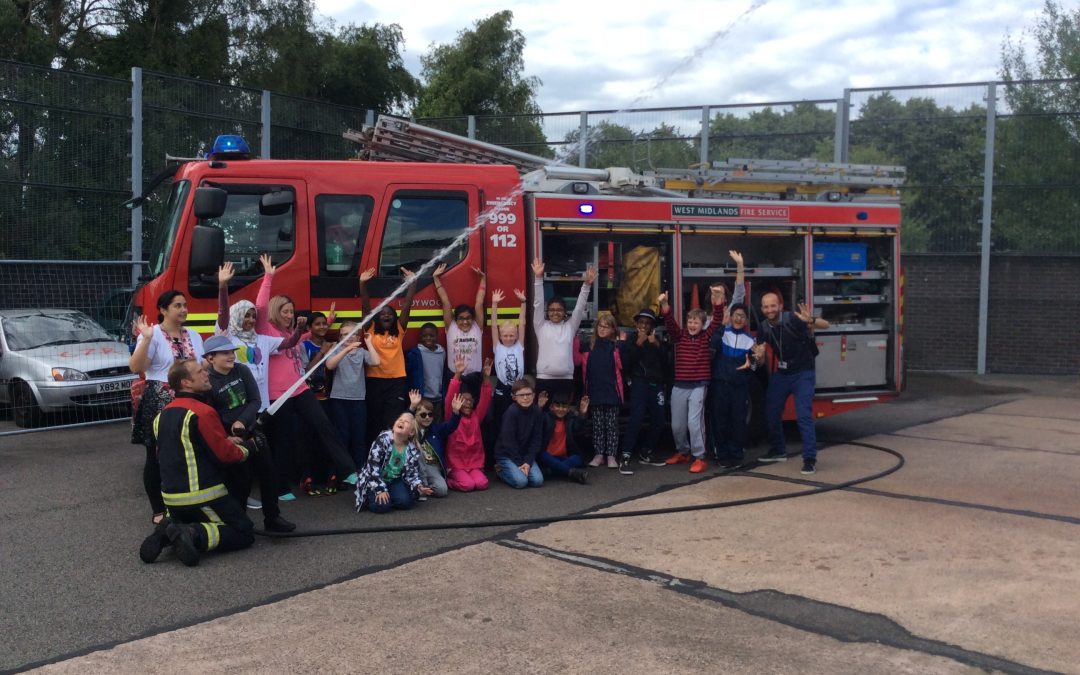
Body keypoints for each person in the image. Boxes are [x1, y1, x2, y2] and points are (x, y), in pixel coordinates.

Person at [255, 254, 355, 499]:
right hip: (278, 394)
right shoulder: (265, 329)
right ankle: (280, 488)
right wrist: (269, 277)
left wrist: (328, 322)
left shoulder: (293, 332)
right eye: (285, 311)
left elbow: (307, 336)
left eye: (291, 311)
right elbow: (259, 307)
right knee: (283, 440)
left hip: (299, 388)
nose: (289, 315)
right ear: (276, 311)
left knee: (323, 425)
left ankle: (347, 469)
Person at [138, 358, 254, 567]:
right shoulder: (202, 412)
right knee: (244, 531)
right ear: (186, 383)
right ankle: (193, 534)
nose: (206, 374)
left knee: (195, 518)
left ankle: (168, 530)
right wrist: (248, 448)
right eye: (200, 372)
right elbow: (226, 455)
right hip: (203, 496)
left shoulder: (161, 416)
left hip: (172, 501)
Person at [216, 261, 306, 508]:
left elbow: (287, 345)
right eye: (246, 315)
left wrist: (298, 330)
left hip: (261, 405)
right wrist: (223, 286)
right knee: (240, 452)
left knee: (261, 451)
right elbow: (223, 312)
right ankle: (239, 497)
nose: (250, 319)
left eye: (253, 315)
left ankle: (270, 494)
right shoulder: (227, 335)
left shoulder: (263, 339)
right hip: (238, 408)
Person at [201, 335, 295, 532]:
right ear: (211, 358)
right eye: (225, 353)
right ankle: (240, 521)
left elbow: (255, 401)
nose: (231, 356)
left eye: (232, 352)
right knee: (240, 481)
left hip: (253, 432)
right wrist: (226, 436)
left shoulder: (242, 370)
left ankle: (273, 517)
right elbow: (210, 414)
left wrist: (241, 421)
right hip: (231, 439)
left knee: (268, 474)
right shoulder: (208, 381)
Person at [129, 290, 205, 526]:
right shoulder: (152, 335)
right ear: (163, 310)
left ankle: (191, 503)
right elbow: (136, 366)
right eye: (177, 306)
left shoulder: (193, 334)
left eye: (185, 305)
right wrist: (147, 339)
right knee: (156, 456)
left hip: (192, 402)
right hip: (160, 402)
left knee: (192, 454)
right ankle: (159, 509)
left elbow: (200, 367)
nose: (183, 309)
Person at [751, 294, 829, 475]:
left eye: (773, 306)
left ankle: (809, 459)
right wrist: (759, 356)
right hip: (783, 374)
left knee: (803, 415)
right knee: (770, 410)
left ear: (780, 305)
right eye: (765, 307)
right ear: (762, 309)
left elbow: (826, 325)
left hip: (803, 373)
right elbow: (761, 361)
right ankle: (778, 450)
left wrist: (810, 319)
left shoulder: (793, 318)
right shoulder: (763, 327)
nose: (769, 310)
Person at [660, 283, 726, 473]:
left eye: (696, 322)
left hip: (698, 385)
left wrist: (718, 301)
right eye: (689, 321)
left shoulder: (706, 337)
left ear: (702, 324)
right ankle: (683, 452)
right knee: (677, 425)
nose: (692, 325)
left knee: (693, 423)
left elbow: (718, 320)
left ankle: (699, 456)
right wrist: (665, 305)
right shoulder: (679, 336)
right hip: (680, 385)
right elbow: (670, 323)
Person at [359, 265, 419, 444]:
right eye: (382, 314)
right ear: (377, 318)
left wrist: (413, 283)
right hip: (375, 382)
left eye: (390, 314)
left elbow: (407, 305)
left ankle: (392, 459)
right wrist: (362, 284)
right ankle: (374, 459)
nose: (386, 316)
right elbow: (365, 306)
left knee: (392, 422)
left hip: (396, 383)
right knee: (375, 422)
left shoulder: (399, 331)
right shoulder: (370, 330)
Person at [708, 251, 756, 468]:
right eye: (712, 294)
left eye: (719, 294)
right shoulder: (707, 320)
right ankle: (722, 454)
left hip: (737, 383)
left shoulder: (732, 315)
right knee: (720, 420)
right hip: (718, 379)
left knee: (737, 420)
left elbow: (739, 292)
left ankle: (736, 455)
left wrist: (740, 265)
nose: (716, 297)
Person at [530, 257, 597, 399]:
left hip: (566, 379)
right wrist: (538, 278)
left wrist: (586, 285)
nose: (555, 312)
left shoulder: (570, 327)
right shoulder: (540, 326)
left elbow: (579, 309)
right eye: (552, 310)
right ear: (547, 312)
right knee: (544, 416)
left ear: (565, 313)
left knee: (564, 416)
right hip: (544, 379)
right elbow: (538, 304)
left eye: (559, 310)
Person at [619, 308, 671, 468]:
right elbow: (625, 363)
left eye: (647, 323)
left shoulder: (656, 341)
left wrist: (657, 345)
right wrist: (638, 344)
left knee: (659, 420)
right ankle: (626, 454)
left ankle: (646, 451)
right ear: (636, 324)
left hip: (656, 384)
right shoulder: (631, 339)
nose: (643, 326)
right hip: (639, 382)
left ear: (652, 326)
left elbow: (667, 363)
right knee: (636, 418)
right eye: (641, 322)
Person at [325, 320, 380, 472]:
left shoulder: (362, 352)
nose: (349, 337)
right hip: (339, 399)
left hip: (358, 400)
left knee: (359, 438)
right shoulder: (336, 350)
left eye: (353, 334)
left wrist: (368, 343)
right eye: (345, 335)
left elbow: (376, 361)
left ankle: (360, 471)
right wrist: (346, 348)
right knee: (342, 436)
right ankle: (342, 473)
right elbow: (330, 365)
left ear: (358, 337)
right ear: (340, 338)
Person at [353, 412, 434, 513]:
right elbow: (372, 467)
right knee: (382, 507)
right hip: (374, 479)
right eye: (400, 419)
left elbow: (411, 473)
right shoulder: (383, 439)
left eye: (406, 422)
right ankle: (370, 496)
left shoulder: (411, 449)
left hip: (394, 480)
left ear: (411, 432)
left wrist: (419, 486)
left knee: (406, 503)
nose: (401, 421)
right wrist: (380, 489)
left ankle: (390, 495)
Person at [580, 313, 626, 471]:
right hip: (595, 390)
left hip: (612, 391)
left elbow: (622, 366)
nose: (602, 329)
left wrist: (623, 343)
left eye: (606, 326)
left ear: (613, 329)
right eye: (600, 326)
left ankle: (611, 455)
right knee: (598, 426)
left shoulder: (616, 347)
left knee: (612, 426)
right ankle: (599, 454)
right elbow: (582, 366)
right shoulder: (589, 346)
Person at [432, 263, 486, 394]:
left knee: (474, 408)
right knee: (454, 409)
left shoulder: (477, 327)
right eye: (461, 318)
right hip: (455, 376)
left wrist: (483, 279)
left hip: (474, 377)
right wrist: (436, 278)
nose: (465, 321)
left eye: (468, 318)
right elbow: (445, 301)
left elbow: (479, 303)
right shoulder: (451, 327)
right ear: (456, 319)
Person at [444, 355, 494, 492]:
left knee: (482, 484)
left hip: (473, 463)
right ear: (458, 401)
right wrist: (458, 374)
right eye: (464, 400)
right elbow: (449, 397)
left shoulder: (476, 416)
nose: (467, 402)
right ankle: (448, 481)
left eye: (470, 400)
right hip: (456, 464)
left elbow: (485, 398)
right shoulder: (452, 416)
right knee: (468, 485)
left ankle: (468, 476)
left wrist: (486, 378)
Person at [408, 389, 465, 498]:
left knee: (442, 490)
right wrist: (412, 407)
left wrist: (456, 412)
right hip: (414, 466)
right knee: (418, 454)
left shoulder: (436, 429)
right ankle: (419, 488)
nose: (427, 418)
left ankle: (422, 489)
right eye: (423, 415)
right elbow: (404, 421)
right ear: (415, 416)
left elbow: (450, 426)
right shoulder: (411, 429)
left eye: (430, 414)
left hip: (432, 466)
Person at [488, 288, 527, 439]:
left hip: (518, 387)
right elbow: (493, 325)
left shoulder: (519, 346)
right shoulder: (497, 346)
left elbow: (522, 324)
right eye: (505, 335)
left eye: (512, 335)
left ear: (516, 335)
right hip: (502, 388)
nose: (509, 338)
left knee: (518, 419)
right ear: (500, 335)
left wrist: (522, 303)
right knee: (501, 419)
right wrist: (494, 304)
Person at [493, 378, 545, 489]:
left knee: (537, 481)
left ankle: (519, 469)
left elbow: (536, 439)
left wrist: (528, 461)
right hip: (507, 454)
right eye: (521, 395)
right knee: (521, 482)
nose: (525, 398)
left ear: (533, 395)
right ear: (514, 397)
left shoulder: (537, 412)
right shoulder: (511, 412)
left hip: (525, 454)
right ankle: (500, 471)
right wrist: (520, 463)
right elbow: (508, 442)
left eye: (528, 394)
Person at [536, 391, 590, 484]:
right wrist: (539, 407)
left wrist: (582, 414)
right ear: (551, 407)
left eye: (564, 406)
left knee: (578, 458)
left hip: (565, 457)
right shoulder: (546, 417)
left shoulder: (571, 419)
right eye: (557, 406)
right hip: (549, 457)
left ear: (568, 409)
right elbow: (536, 423)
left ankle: (549, 472)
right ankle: (572, 472)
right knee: (542, 454)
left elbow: (579, 430)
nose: (561, 409)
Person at [405, 323, 447, 423]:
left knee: (437, 426)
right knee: (421, 426)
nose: (428, 338)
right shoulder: (415, 353)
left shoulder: (442, 352)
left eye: (431, 336)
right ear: (420, 337)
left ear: (437, 336)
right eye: (425, 336)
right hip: (423, 398)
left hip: (438, 398)